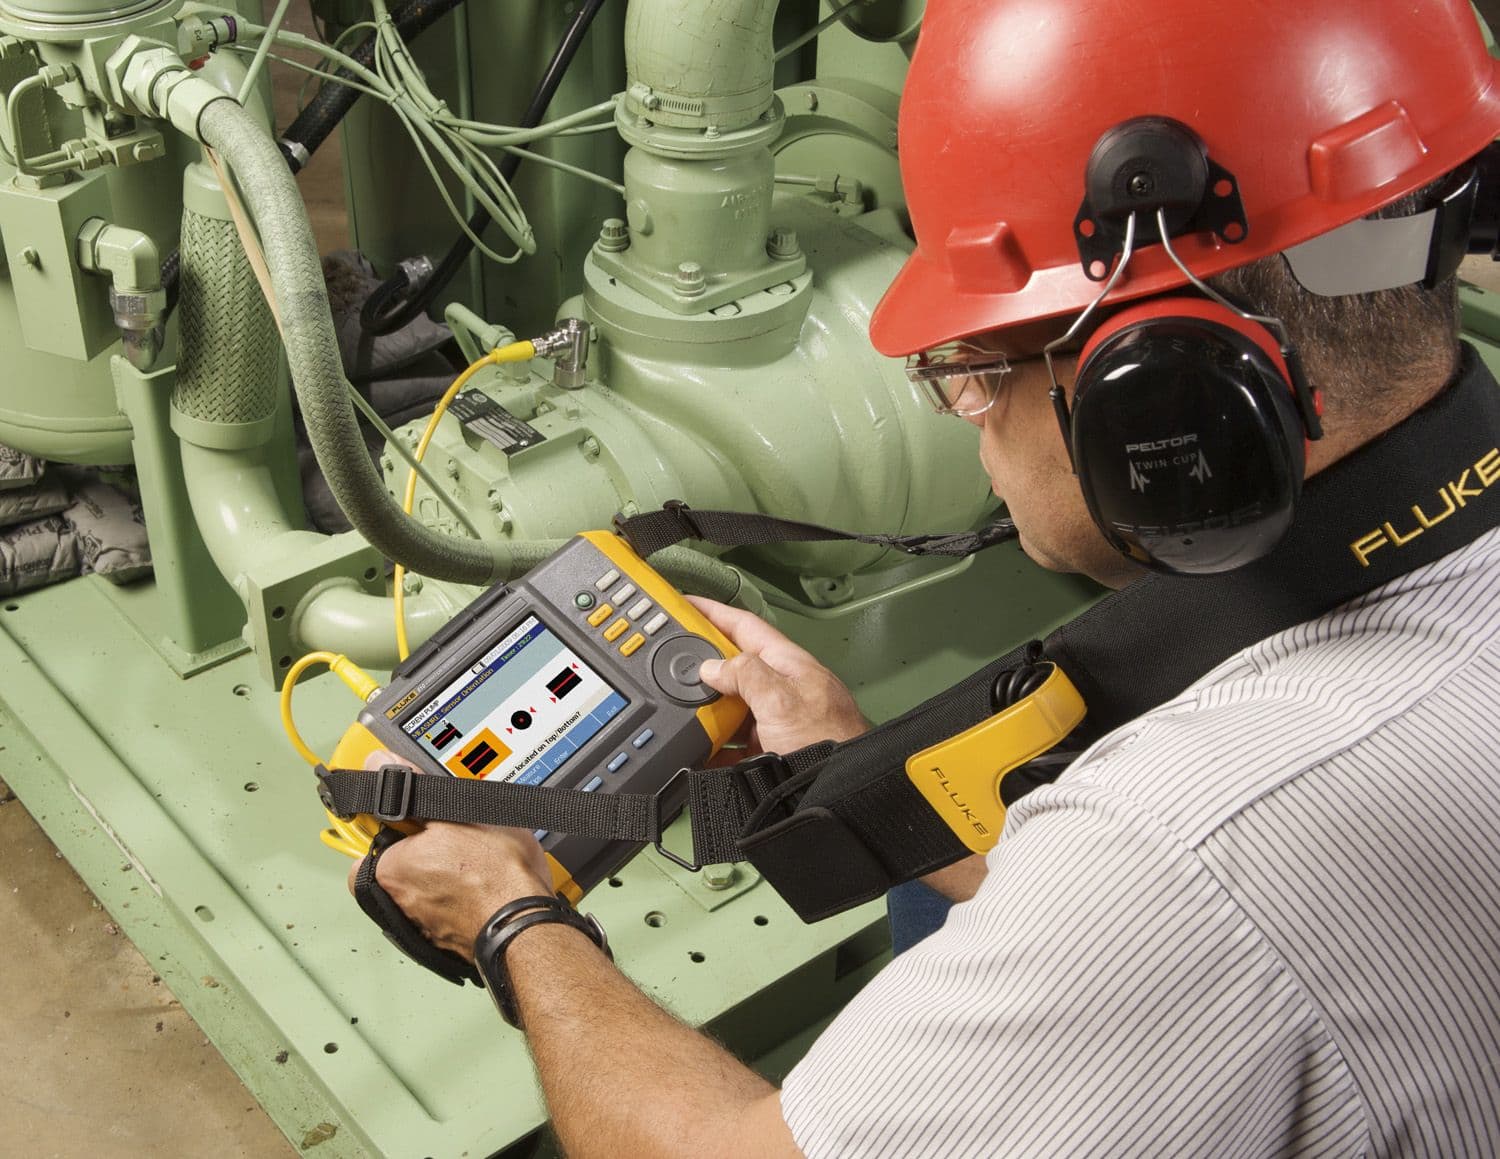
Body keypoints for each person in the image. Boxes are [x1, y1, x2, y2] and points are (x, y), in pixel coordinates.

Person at [352, 1, 1500, 1154]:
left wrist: (511, 914)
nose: (969, 420)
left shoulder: (1179, 849)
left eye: (972, 369)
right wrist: (844, 765)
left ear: (1154, 406)